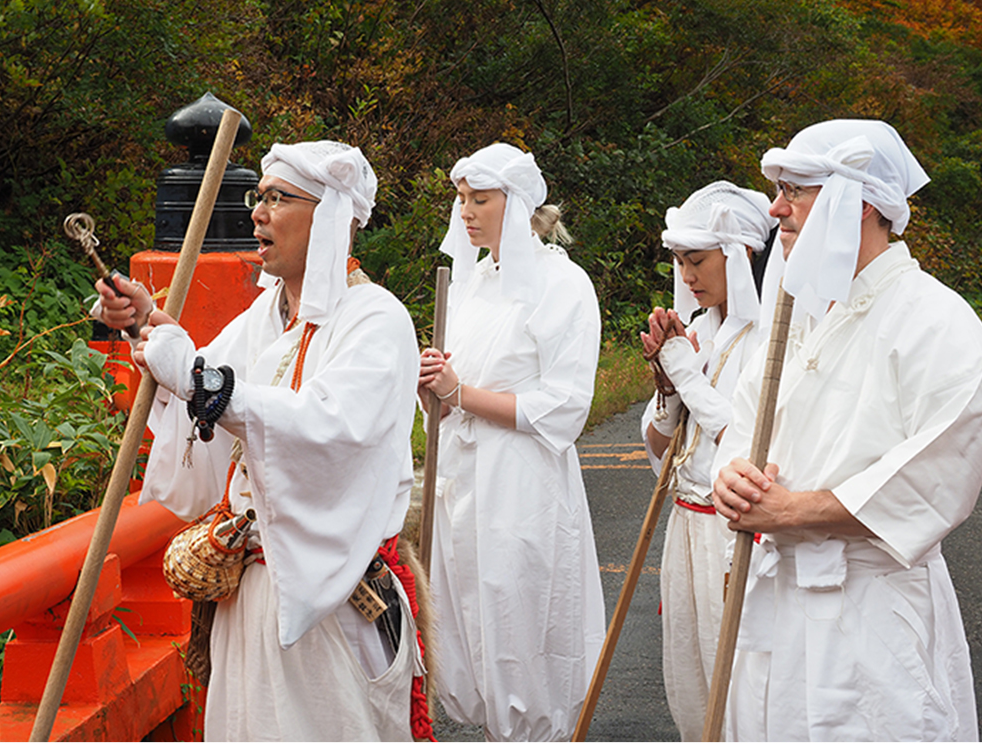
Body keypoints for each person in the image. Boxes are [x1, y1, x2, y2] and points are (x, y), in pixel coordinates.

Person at [91, 141, 432, 741]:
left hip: (331, 601)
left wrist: (195, 377)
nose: (257, 212)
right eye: (259, 196)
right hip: (249, 591)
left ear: (330, 216)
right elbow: (200, 400)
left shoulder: (376, 320)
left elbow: (325, 428)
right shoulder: (264, 318)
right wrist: (153, 330)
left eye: (277, 197)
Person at [712, 119, 982, 741]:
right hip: (777, 602)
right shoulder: (799, 310)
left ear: (857, 203)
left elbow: (941, 474)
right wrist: (732, 477)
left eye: (796, 190)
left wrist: (794, 510)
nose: (776, 208)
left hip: (871, 613)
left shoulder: (936, 319)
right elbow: (744, 422)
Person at [418, 142, 606, 741]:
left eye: (482, 199)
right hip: (463, 478)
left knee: (519, 613)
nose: (467, 211)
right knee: (469, 615)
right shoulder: (474, 284)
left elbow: (565, 405)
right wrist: (433, 391)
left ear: (518, 203)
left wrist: (460, 392)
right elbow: (448, 393)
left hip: (521, 480)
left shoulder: (562, 283)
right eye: (462, 199)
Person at [638, 181, 775, 742]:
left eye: (698, 261)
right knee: (689, 679)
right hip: (685, 523)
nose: (687, 276)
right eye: (679, 263)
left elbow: (745, 440)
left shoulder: (770, 337)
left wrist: (687, 374)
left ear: (740, 257)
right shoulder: (699, 330)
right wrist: (668, 386)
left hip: (732, 533)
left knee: (738, 676)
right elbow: (659, 441)